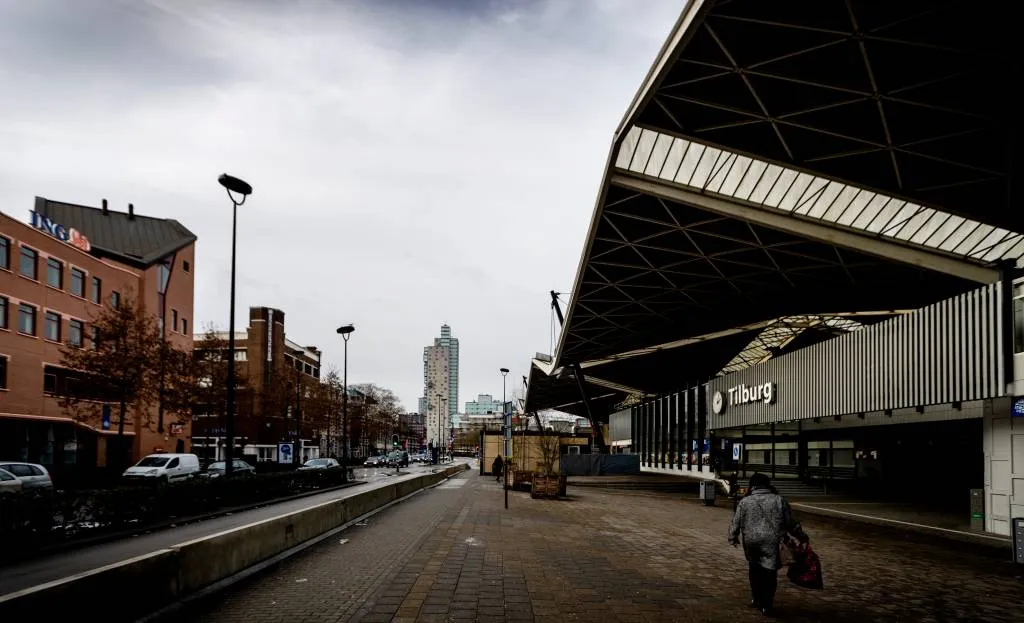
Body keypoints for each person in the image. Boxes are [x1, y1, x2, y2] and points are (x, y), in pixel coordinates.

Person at [729, 473, 808, 615]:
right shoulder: (779, 500)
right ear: (768, 485)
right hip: (772, 541)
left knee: (754, 568)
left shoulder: (745, 501)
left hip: (751, 540)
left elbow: (736, 521)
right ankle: (766, 603)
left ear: (752, 486)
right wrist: (801, 536)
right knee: (769, 571)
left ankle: (756, 597)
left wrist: (733, 536)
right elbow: (790, 522)